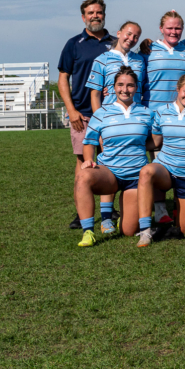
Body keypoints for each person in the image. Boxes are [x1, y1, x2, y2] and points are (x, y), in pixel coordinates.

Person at [73, 66, 155, 247]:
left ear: (136, 88)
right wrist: (89, 159)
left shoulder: (147, 113)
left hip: (135, 177)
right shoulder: (101, 113)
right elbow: (89, 142)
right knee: (83, 176)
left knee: (128, 231)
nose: (125, 89)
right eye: (120, 85)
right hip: (109, 173)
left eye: (130, 85)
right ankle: (88, 232)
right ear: (113, 87)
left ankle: (122, 219)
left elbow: (154, 141)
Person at [136, 74, 185, 247]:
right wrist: (132, 147)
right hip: (165, 168)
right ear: (178, 89)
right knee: (146, 171)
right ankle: (145, 230)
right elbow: (156, 142)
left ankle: (183, 215)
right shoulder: (161, 112)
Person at [58, 0, 115, 229]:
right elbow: (63, 78)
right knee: (84, 162)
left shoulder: (115, 42)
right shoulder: (74, 44)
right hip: (82, 114)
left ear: (104, 15)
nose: (95, 16)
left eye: (98, 12)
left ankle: (108, 212)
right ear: (83, 17)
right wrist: (71, 110)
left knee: (110, 160)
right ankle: (82, 213)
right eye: (90, 13)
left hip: (111, 114)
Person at [86, 21, 146, 110]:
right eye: (128, 34)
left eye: (136, 37)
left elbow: (143, 88)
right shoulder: (102, 60)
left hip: (135, 114)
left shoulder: (140, 60)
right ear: (119, 34)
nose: (131, 39)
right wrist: (98, 117)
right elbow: (95, 95)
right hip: (110, 114)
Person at [142, 10, 185, 108]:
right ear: (161, 28)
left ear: (182, 29)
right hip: (152, 110)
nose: (173, 32)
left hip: (180, 111)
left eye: (177, 28)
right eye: (169, 28)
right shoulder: (148, 50)